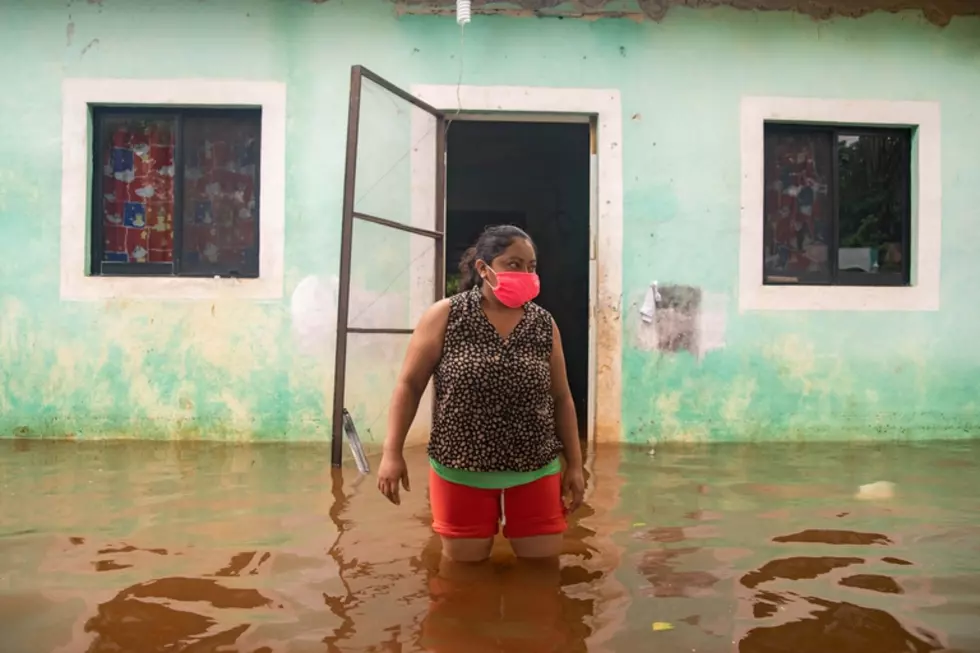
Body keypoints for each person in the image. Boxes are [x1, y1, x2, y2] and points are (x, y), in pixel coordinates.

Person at [377, 224, 585, 562]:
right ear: (483, 269)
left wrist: (575, 465)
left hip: (535, 465)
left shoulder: (543, 324)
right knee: (463, 580)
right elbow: (409, 385)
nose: (526, 273)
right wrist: (392, 453)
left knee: (541, 574)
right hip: (460, 465)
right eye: (513, 264)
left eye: (531, 267)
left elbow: (561, 397)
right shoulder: (446, 315)